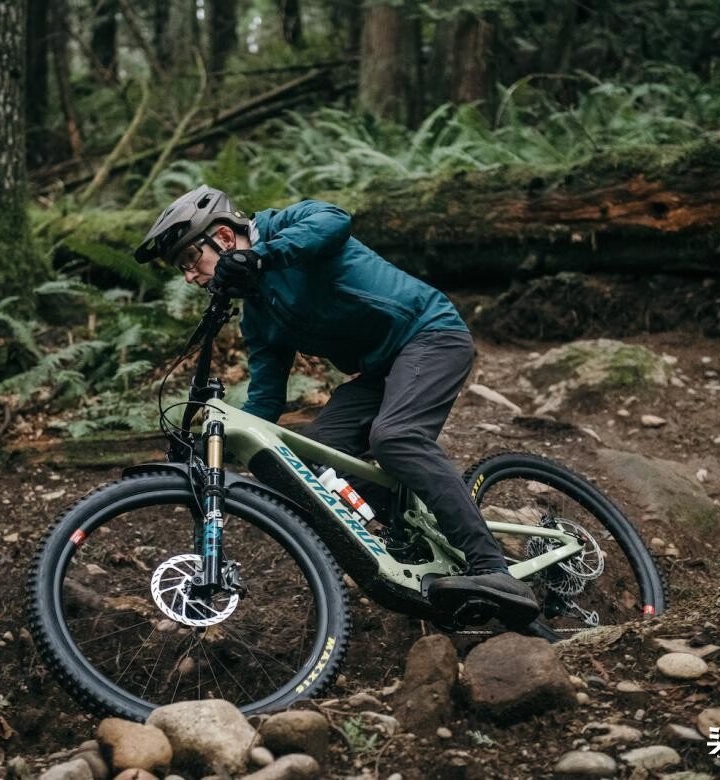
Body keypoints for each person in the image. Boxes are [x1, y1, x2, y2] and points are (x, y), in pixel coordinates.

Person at [135, 185, 540, 627]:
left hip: (430, 335)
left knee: (395, 437)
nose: (190, 277)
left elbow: (334, 221)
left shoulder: (285, 227)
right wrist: (212, 447)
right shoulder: (259, 315)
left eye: (191, 261)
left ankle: (492, 569)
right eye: (184, 270)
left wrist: (265, 256)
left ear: (225, 239)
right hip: (378, 373)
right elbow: (265, 403)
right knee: (311, 458)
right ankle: (412, 539)